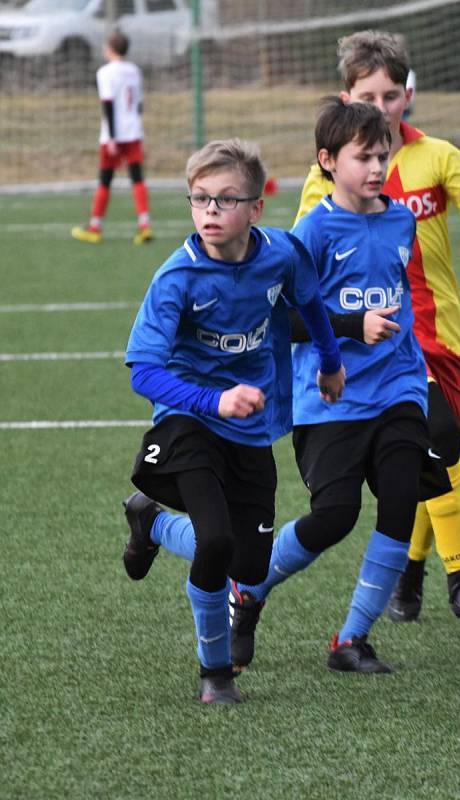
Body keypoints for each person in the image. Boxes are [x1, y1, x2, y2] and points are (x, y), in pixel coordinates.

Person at [295, 30, 460, 623]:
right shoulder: (326, 182)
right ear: (346, 97)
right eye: (370, 95)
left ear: (407, 95)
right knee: (434, 441)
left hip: (437, 332)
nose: (384, 108)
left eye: (393, 95)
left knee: (423, 457)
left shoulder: (434, 156)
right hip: (371, 349)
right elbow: (298, 273)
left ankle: (409, 574)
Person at [230, 97, 451, 675]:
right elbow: (286, 318)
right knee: (336, 515)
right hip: (331, 398)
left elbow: (398, 294)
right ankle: (249, 589)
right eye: (363, 158)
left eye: (383, 155)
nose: (376, 168)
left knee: (402, 501)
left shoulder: (402, 219)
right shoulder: (313, 232)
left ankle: (351, 640)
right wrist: (353, 326)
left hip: (399, 387)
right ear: (328, 161)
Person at [120, 138, 345, 705]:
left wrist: (331, 364)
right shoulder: (177, 278)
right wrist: (212, 401)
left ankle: (152, 525)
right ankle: (214, 674)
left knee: (250, 562)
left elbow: (311, 303)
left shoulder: (281, 254)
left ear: (256, 206)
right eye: (200, 200)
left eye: (225, 199)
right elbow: (143, 371)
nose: (211, 212)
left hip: (249, 429)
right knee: (216, 543)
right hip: (187, 422)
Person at [71, 30, 153, 246]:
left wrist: (113, 138)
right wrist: (136, 127)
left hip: (114, 135)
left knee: (105, 179)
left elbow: (108, 104)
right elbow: (139, 104)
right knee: (137, 178)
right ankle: (145, 225)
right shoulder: (134, 71)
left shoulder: (105, 72)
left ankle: (95, 227)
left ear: (111, 48)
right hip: (134, 131)